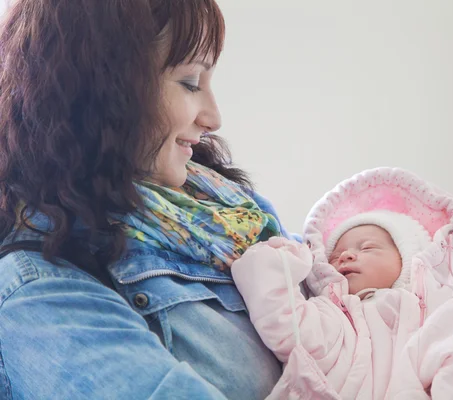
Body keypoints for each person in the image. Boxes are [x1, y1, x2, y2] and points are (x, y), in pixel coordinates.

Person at [0, 1, 294, 398]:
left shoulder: (232, 211)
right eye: (191, 82)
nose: (213, 117)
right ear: (107, 89)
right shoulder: (40, 291)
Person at [232, 167, 453, 399]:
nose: (346, 257)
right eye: (337, 255)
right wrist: (272, 266)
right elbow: (287, 327)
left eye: (366, 247)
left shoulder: (438, 307)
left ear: (409, 257)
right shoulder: (334, 317)